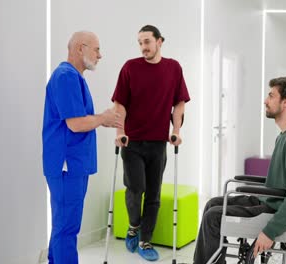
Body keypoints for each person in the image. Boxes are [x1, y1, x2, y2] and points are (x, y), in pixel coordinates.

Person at [192, 77, 286, 264]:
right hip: (269, 200)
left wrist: (270, 232)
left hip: (274, 209)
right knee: (212, 204)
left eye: (271, 96)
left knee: (213, 217)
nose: (265, 101)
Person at [111, 25, 190, 261]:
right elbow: (120, 103)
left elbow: (180, 104)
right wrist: (120, 131)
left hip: (158, 143)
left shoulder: (173, 68)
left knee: (153, 194)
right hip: (132, 141)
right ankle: (134, 226)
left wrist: (176, 131)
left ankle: (145, 241)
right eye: (140, 43)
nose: (143, 47)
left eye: (147, 41)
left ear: (159, 41)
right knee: (136, 189)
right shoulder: (130, 67)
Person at [42, 31, 122, 264]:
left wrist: (101, 119)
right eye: (96, 49)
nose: (100, 55)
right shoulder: (65, 77)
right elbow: (76, 124)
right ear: (80, 48)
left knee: (63, 224)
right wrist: (103, 118)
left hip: (73, 165)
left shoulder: (73, 77)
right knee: (67, 227)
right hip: (67, 164)